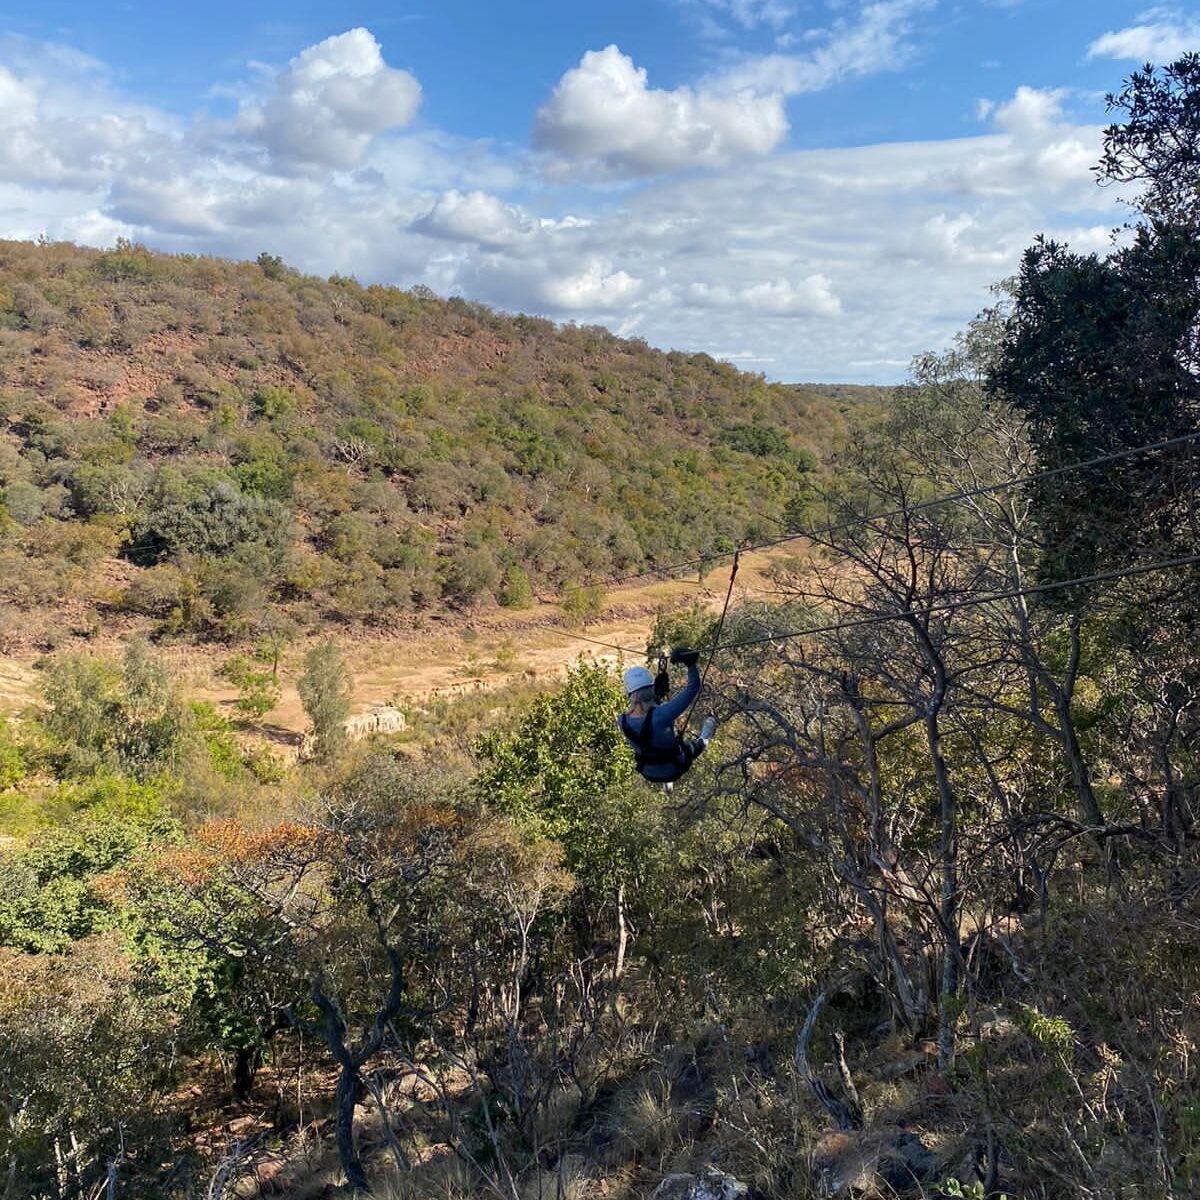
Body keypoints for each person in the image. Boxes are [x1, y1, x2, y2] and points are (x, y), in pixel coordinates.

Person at [619, 647, 717, 784]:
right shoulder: (663, 715)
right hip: (675, 767)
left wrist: (656, 694)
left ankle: (666, 782)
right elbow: (693, 688)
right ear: (651, 688)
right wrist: (691, 665)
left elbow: (647, 719)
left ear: (629, 693)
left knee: (654, 745)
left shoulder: (622, 721)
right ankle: (706, 735)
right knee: (696, 746)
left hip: (648, 771)